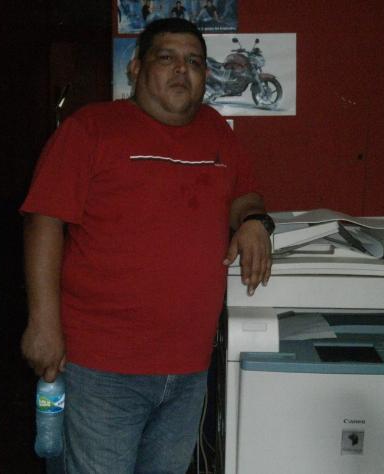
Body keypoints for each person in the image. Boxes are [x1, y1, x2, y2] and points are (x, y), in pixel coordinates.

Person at [20, 18, 273, 474]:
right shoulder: (91, 128)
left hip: (189, 366)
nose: (182, 69)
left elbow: (245, 194)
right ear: (135, 68)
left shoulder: (217, 130)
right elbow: (44, 222)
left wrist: (254, 220)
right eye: (167, 57)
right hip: (102, 365)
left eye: (194, 61)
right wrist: (43, 324)